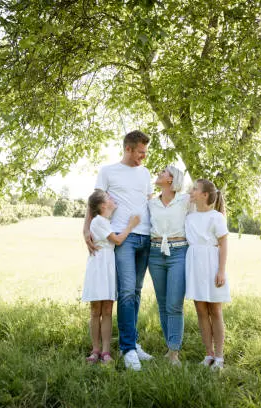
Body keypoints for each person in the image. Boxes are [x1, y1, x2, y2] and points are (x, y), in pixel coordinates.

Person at [83, 130, 154, 371]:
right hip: (123, 239)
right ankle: (127, 349)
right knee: (124, 292)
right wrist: (86, 231)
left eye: (145, 153)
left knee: (135, 291)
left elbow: (150, 202)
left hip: (146, 237)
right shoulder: (108, 171)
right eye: (140, 153)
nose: (143, 157)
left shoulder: (145, 173)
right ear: (128, 149)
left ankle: (133, 342)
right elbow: (93, 202)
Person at [82, 190, 140, 365]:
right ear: (102, 205)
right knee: (96, 310)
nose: (113, 199)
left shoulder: (105, 221)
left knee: (107, 310)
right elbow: (118, 240)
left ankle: (106, 351)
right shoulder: (99, 221)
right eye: (109, 198)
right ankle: (95, 350)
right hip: (99, 266)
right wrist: (131, 225)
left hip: (108, 265)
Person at [185, 179, 230, 370]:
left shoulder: (216, 217)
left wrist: (221, 270)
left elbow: (223, 244)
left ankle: (219, 357)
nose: (191, 191)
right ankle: (208, 354)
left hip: (211, 264)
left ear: (205, 195)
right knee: (201, 311)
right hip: (194, 265)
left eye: (195, 189)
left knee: (215, 310)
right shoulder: (189, 216)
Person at [148, 166, 190, 365]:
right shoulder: (151, 203)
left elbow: (208, 207)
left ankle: (174, 352)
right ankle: (169, 346)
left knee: (174, 304)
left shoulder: (185, 201)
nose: (159, 173)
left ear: (172, 179)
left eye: (164, 172)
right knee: (163, 304)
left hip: (179, 251)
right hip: (155, 252)